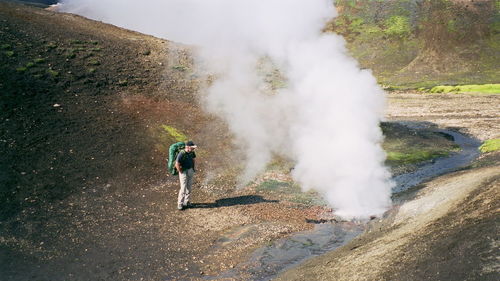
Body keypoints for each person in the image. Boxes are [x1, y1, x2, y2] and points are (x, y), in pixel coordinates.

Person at [175, 140, 197, 210]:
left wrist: (193, 168)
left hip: (190, 170)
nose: (193, 149)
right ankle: (180, 204)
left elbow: (193, 160)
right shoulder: (181, 153)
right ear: (187, 147)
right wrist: (180, 171)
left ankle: (186, 202)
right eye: (192, 147)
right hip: (183, 172)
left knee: (189, 187)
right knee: (183, 188)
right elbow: (177, 164)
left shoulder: (192, 152)